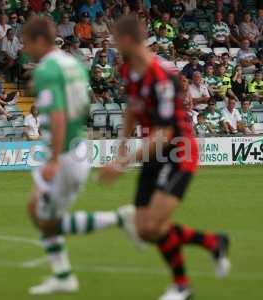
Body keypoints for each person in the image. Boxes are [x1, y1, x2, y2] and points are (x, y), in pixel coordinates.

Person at [99, 16, 230, 300]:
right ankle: (213, 242)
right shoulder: (128, 69)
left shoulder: (162, 77)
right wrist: (120, 147)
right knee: (146, 229)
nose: (110, 45)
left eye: (114, 40)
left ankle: (182, 285)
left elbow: (166, 133)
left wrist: (122, 163)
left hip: (179, 151)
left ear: (128, 41)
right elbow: (133, 109)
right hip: (156, 152)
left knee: (151, 225)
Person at [22, 17, 128, 295]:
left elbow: (57, 114)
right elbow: (79, 109)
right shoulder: (74, 64)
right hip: (76, 147)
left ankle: (119, 219)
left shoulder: (46, 70)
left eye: (25, 43)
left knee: (46, 219)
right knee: (38, 210)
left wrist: (54, 158)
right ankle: (63, 274)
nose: (24, 49)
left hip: (64, 153)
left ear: (39, 40)